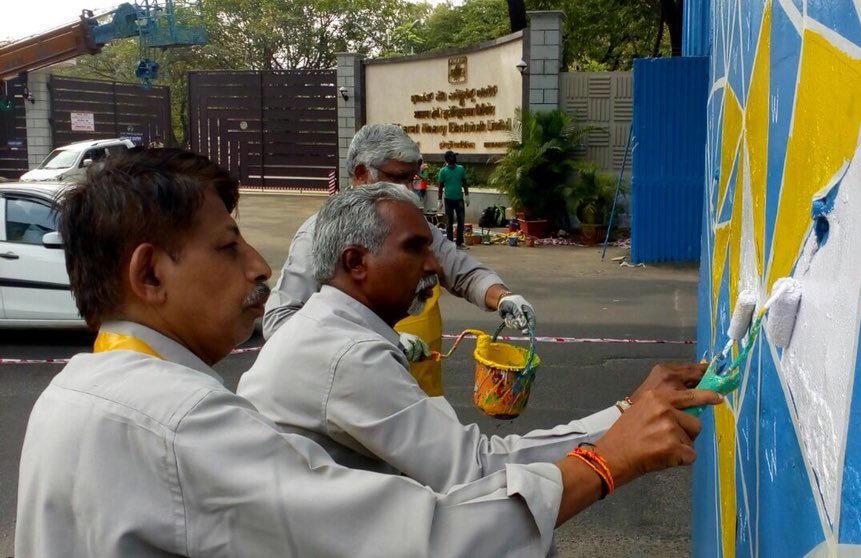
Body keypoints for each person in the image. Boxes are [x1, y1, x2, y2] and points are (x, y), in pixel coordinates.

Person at [15, 147, 722, 557]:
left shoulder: (75, 396)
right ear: (149, 275)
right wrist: (609, 455)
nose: (259, 267)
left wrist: (623, 417)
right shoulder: (180, 417)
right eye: (228, 247)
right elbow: (419, 534)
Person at [238, 182, 718, 491]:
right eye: (415, 250)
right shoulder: (347, 354)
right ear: (355, 263)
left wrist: (499, 294)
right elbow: (476, 469)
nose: (432, 266)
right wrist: (621, 426)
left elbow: (462, 268)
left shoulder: (331, 327)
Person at [262, 124, 534, 380]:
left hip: (418, 388)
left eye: (411, 178)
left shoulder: (416, 227)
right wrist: (376, 339)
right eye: (397, 177)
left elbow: (462, 272)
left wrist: (503, 297)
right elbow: (280, 321)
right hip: (353, 394)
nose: (409, 188)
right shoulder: (319, 233)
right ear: (361, 174)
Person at [437, 149, 470, 250]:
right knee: (449, 222)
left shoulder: (460, 169)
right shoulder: (443, 171)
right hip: (448, 199)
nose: (455, 158)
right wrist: (439, 200)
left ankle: (459, 243)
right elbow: (440, 186)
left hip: (459, 199)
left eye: (455, 156)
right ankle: (450, 243)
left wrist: (467, 196)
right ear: (447, 159)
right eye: (452, 156)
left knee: (461, 221)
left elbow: (464, 183)